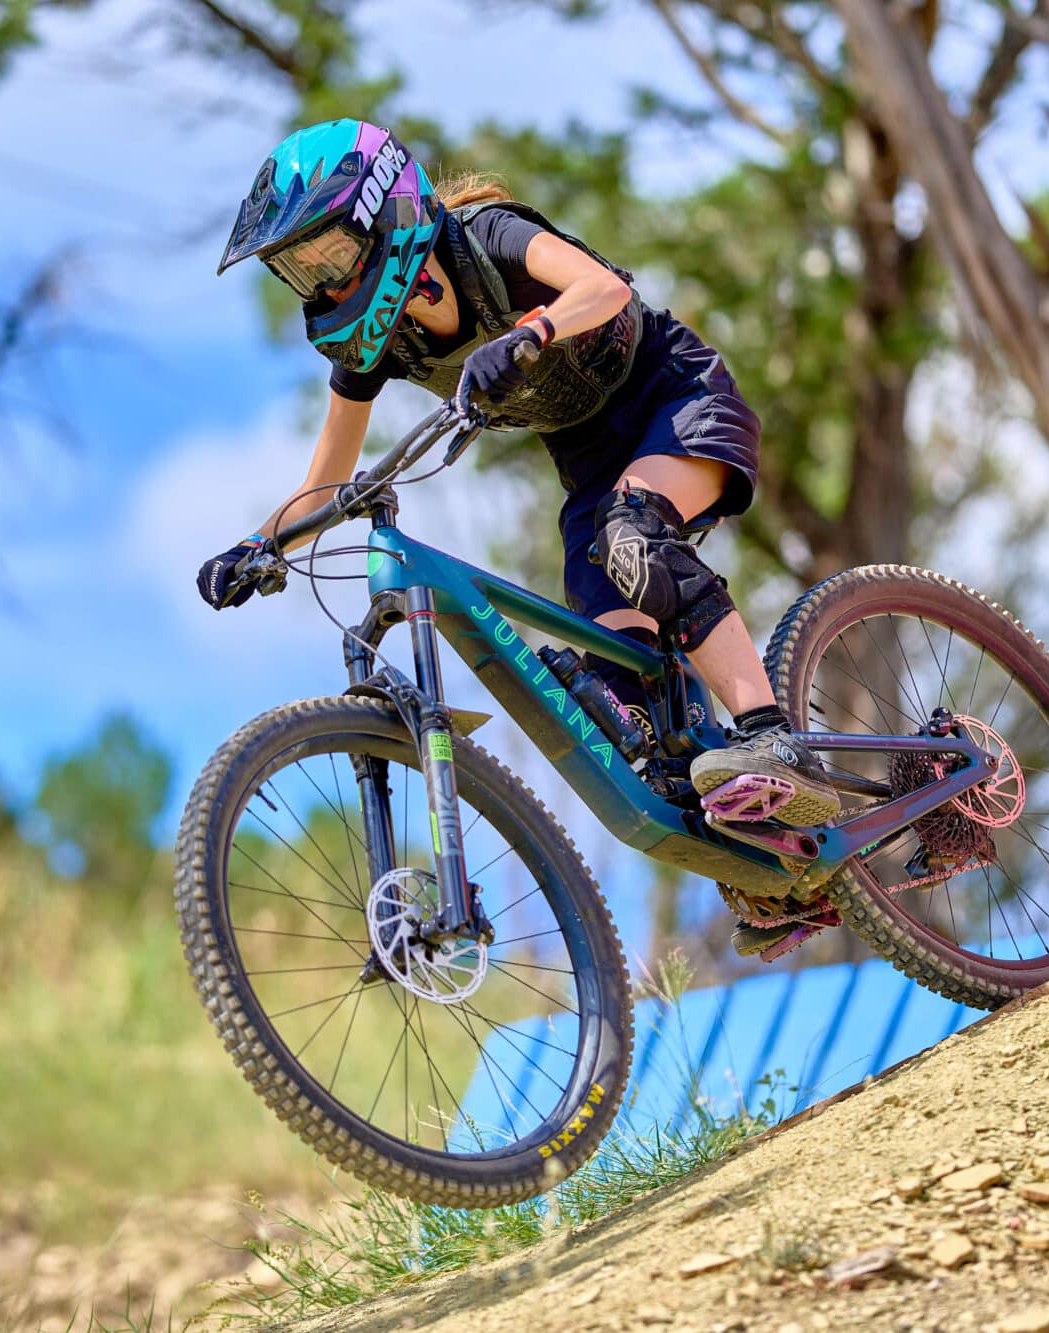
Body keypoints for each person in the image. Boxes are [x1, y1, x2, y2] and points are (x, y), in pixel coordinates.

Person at [196, 119, 840, 899]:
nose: (325, 285)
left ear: (382, 210)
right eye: (303, 272)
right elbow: (325, 481)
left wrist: (533, 330)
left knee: (634, 538)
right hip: (593, 476)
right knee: (616, 713)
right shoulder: (380, 344)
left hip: (678, 400)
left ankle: (773, 738)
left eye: (330, 255)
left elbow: (607, 289)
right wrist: (259, 545)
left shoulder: (485, 238)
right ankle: (770, 877)